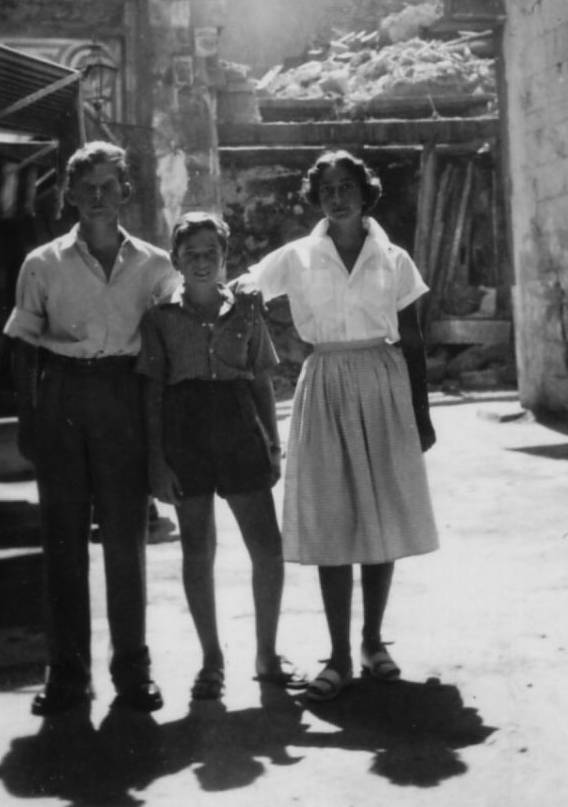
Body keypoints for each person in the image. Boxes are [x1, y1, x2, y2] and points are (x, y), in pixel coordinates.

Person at [245, 149, 439, 701]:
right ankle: (338, 656)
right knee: (334, 518)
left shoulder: (394, 258)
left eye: (347, 184)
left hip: (382, 383)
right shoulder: (298, 257)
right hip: (325, 381)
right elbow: (245, 291)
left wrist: (421, 415)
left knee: (379, 516)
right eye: (327, 187)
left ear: (365, 190)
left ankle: (374, 642)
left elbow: (414, 339)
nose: (337, 195)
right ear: (317, 196)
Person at [3, 141, 178, 716]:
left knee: (126, 541)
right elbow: (24, 348)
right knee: (62, 542)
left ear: (126, 191)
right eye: (87, 189)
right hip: (61, 399)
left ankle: (133, 673)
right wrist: (30, 421)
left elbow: (165, 347)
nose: (98, 197)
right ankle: (66, 676)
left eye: (108, 186)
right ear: (71, 196)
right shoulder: (42, 263)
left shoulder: (155, 265)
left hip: (122, 398)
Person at [137, 211, 303, 700]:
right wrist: (156, 462)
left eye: (212, 253)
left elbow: (259, 381)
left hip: (238, 429)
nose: (203, 262)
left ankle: (266, 654)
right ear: (175, 261)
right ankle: (211, 659)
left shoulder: (248, 309)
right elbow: (153, 394)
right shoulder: (159, 316)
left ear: (226, 258)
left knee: (267, 547)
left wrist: (273, 445)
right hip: (184, 433)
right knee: (197, 547)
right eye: (192, 254)